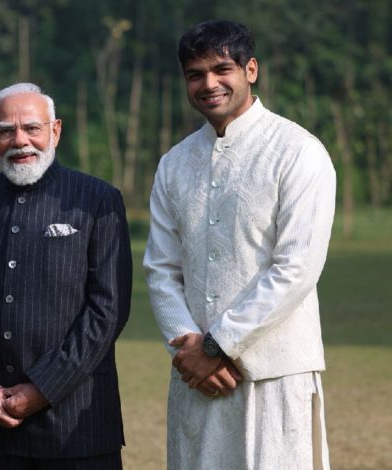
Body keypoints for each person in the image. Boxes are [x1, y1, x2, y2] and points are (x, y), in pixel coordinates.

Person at [143, 20, 335, 469]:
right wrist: (189, 350)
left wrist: (217, 346)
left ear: (251, 70)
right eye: (195, 74)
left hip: (275, 374)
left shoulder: (298, 152)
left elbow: (296, 267)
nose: (209, 84)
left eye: (221, 69)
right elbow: (161, 269)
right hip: (198, 379)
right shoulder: (174, 164)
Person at [0, 82, 132, 469]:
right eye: (6, 130)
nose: (20, 140)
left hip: (78, 430)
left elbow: (107, 312)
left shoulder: (97, 200)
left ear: (55, 130)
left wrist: (43, 387)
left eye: (32, 128)